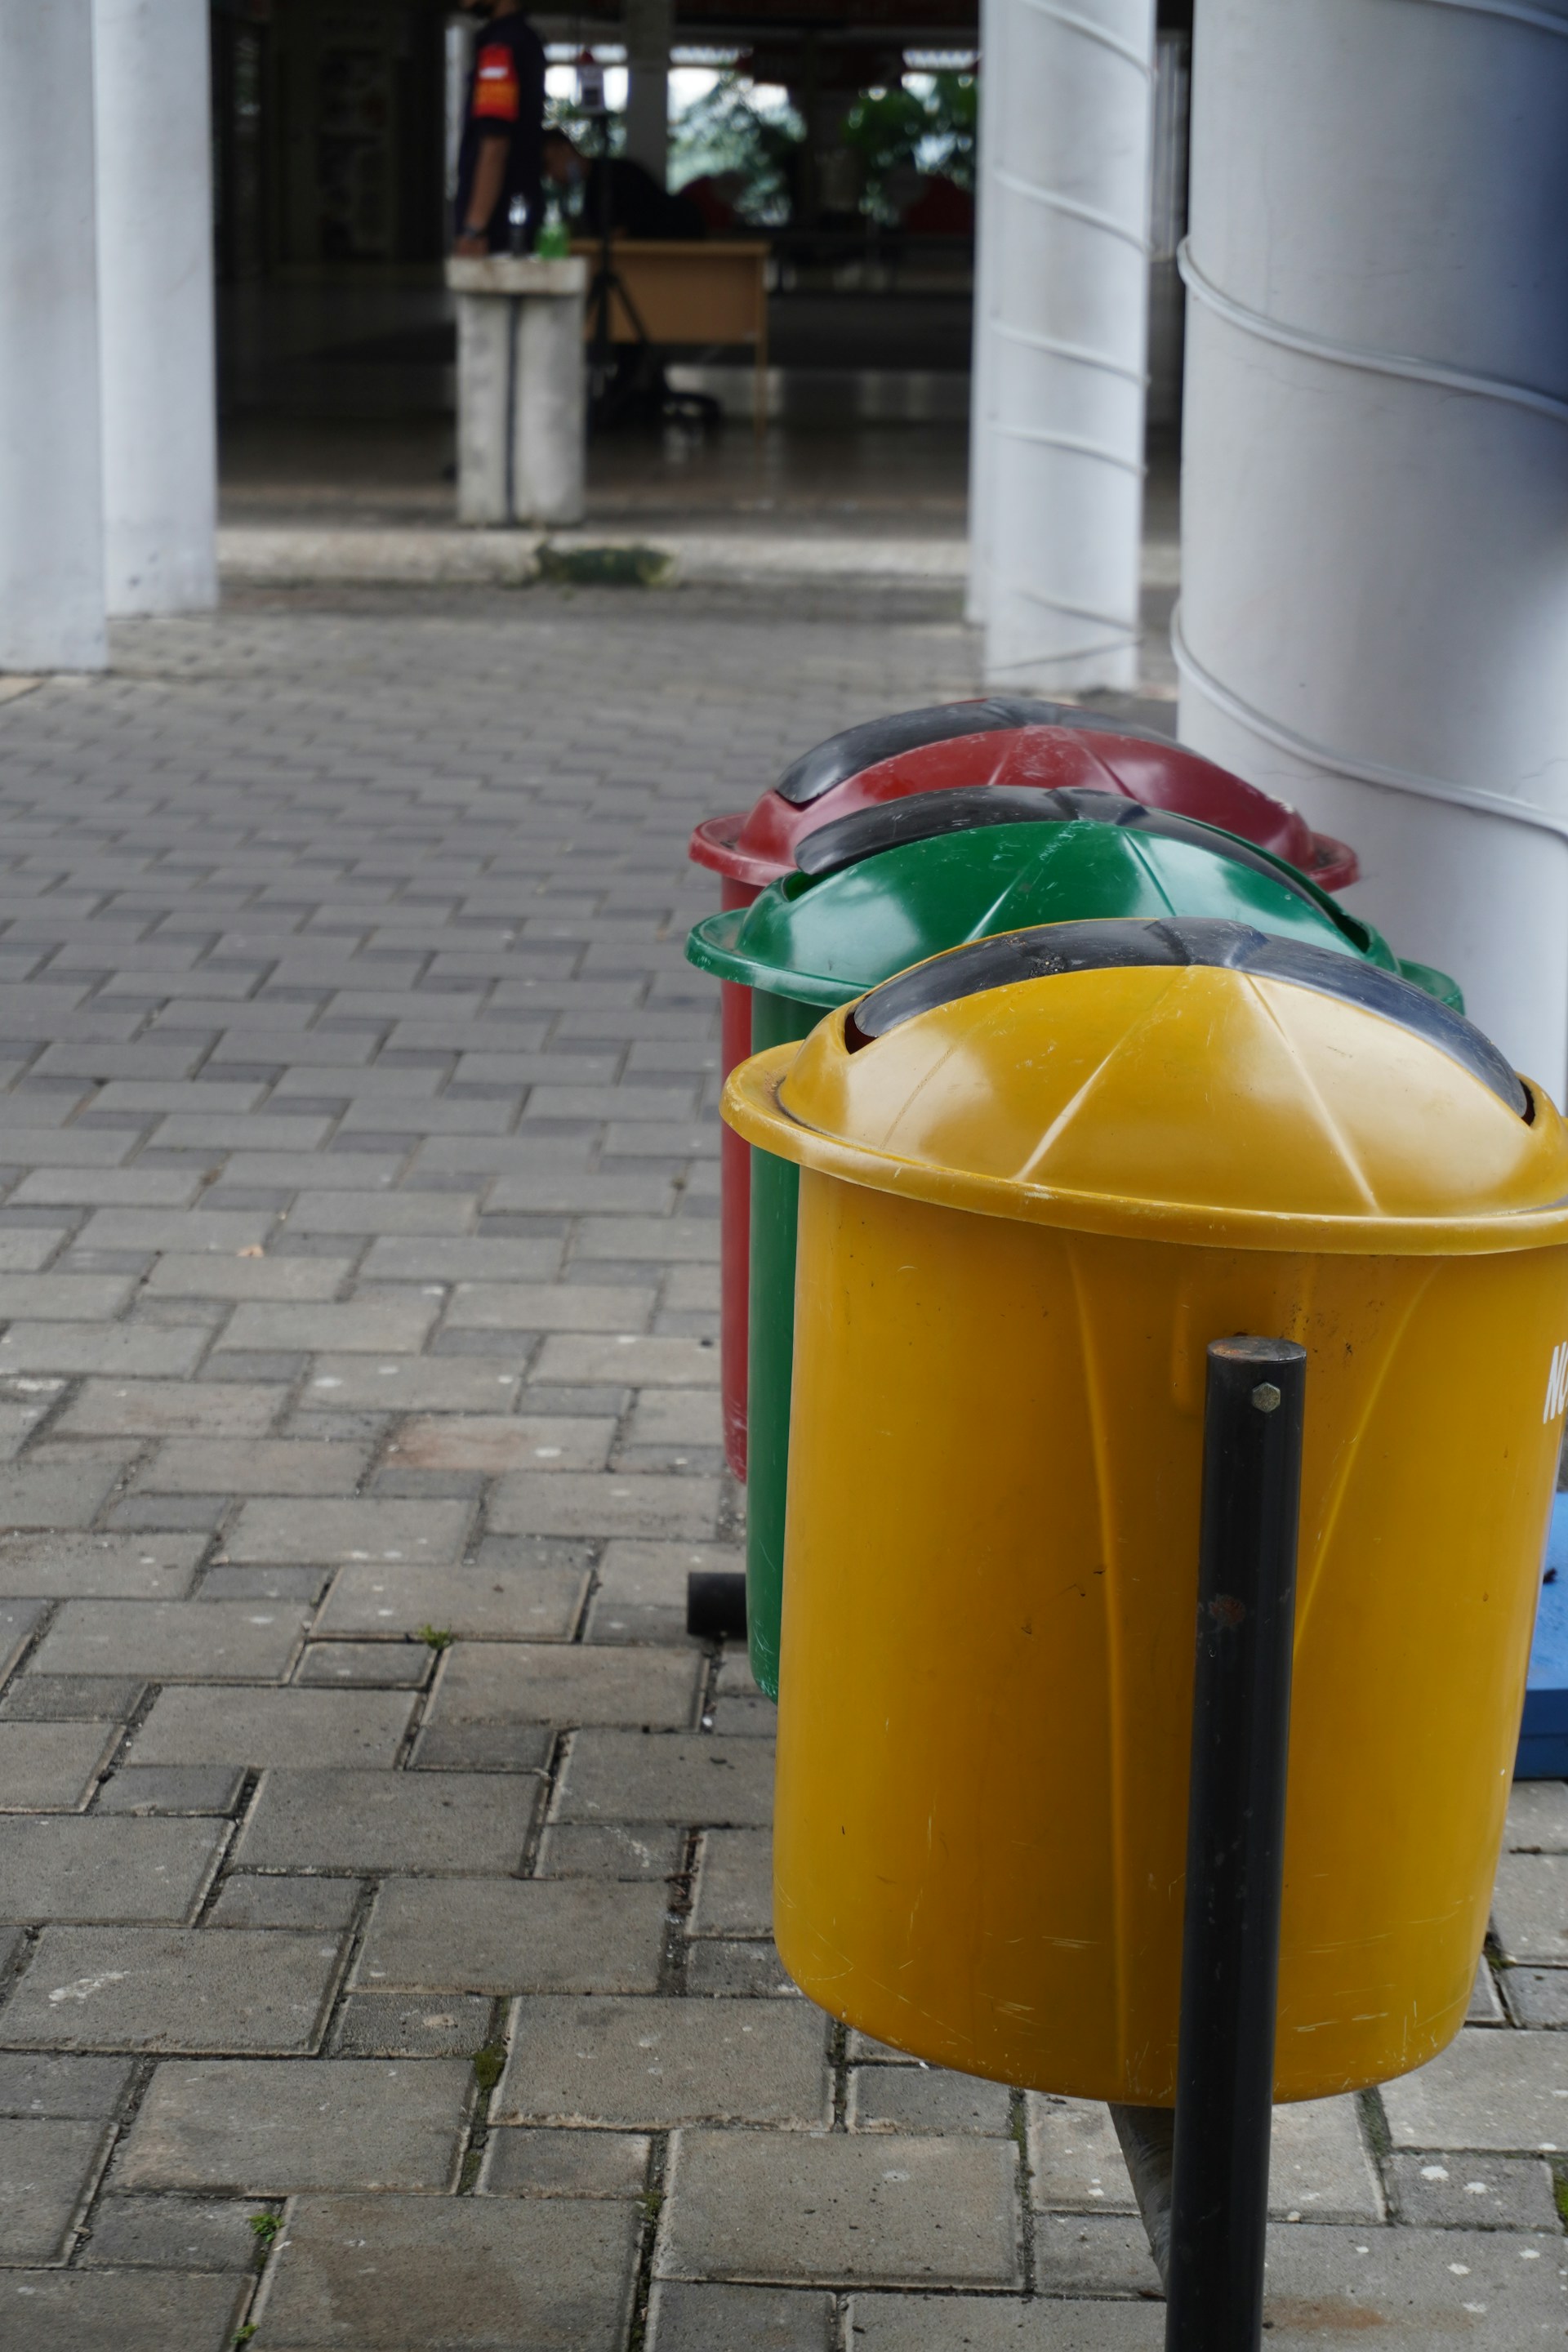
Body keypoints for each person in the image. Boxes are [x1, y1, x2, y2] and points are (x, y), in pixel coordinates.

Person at [452, 1, 547, 256]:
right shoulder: (523, 40)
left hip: (497, 234)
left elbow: (495, 142)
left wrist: (475, 229)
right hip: (516, 218)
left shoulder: (500, 50)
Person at [541, 128, 706, 242]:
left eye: (549, 164)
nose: (551, 175)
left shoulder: (616, 174)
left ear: (565, 149)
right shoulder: (591, 186)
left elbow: (627, 228)